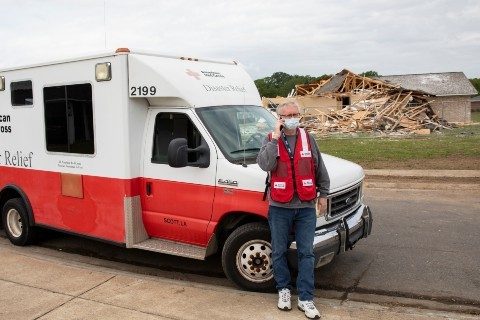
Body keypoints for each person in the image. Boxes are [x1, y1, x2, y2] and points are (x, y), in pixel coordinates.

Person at [257, 101, 330, 319]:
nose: (292, 117)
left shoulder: (308, 139)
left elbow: (319, 167)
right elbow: (265, 164)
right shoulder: (271, 140)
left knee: (306, 253)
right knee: (279, 251)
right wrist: (276, 138)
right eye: (287, 115)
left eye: (295, 114)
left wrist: (324, 194)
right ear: (279, 118)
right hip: (280, 207)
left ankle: (306, 298)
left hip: (306, 207)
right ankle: (284, 290)